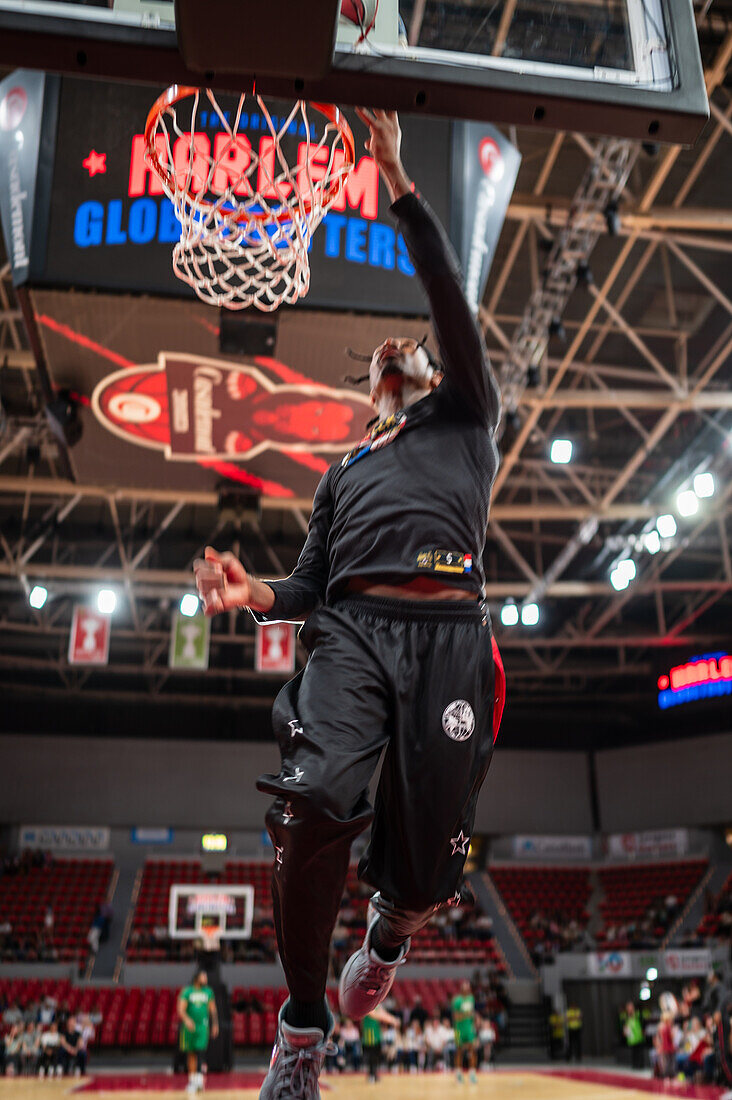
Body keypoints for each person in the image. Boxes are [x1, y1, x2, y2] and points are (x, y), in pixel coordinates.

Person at [194, 107, 504, 1100]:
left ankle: (392, 928)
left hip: (451, 630)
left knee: (426, 872)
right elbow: (307, 584)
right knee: (312, 796)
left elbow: (449, 299)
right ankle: (300, 1029)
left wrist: (398, 180)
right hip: (355, 630)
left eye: (409, 347)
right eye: (384, 356)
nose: (398, 352)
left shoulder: (467, 415)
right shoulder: (342, 469)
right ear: (371, 390)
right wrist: (256, 594)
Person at [177, 969, 219, 1095]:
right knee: (191, 1054)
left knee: (200, 1053)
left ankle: (200, 1082)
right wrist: (187, 1020)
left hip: (202, 1027)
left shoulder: (208, 992)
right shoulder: (187, 991)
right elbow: (180, 1009)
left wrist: (215, 1024)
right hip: (189, 1028)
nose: (206, 979)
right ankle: (192, 1081)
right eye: (203, 976)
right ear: (196, 978)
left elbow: (213, 1010)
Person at [361, 1006, 399, 1084]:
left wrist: (393, 1018)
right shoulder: (367, 1003)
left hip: (376, 1032)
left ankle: (374, 1074)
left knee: (377, 1055)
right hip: (369, 1032)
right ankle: (371, 1075)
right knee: (372, 1055)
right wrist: (392, 1020)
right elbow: (375, 1015)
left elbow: (382, 1012)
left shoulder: (377, 1003)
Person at [452, 979, 478, 1084]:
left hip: (469, 1029)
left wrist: (474, 1023)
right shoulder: (456, 1000)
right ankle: (458, 1074)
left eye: (468, 986)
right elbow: (456, 1017)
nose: (467, 988)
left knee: (472, 1051)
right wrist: (466, 1015)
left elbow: (472, 1014)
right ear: (461, 988)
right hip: (458, 1030)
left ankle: (472, 1074)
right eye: (465, 986)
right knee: (459, 1052)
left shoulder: (471, 998)